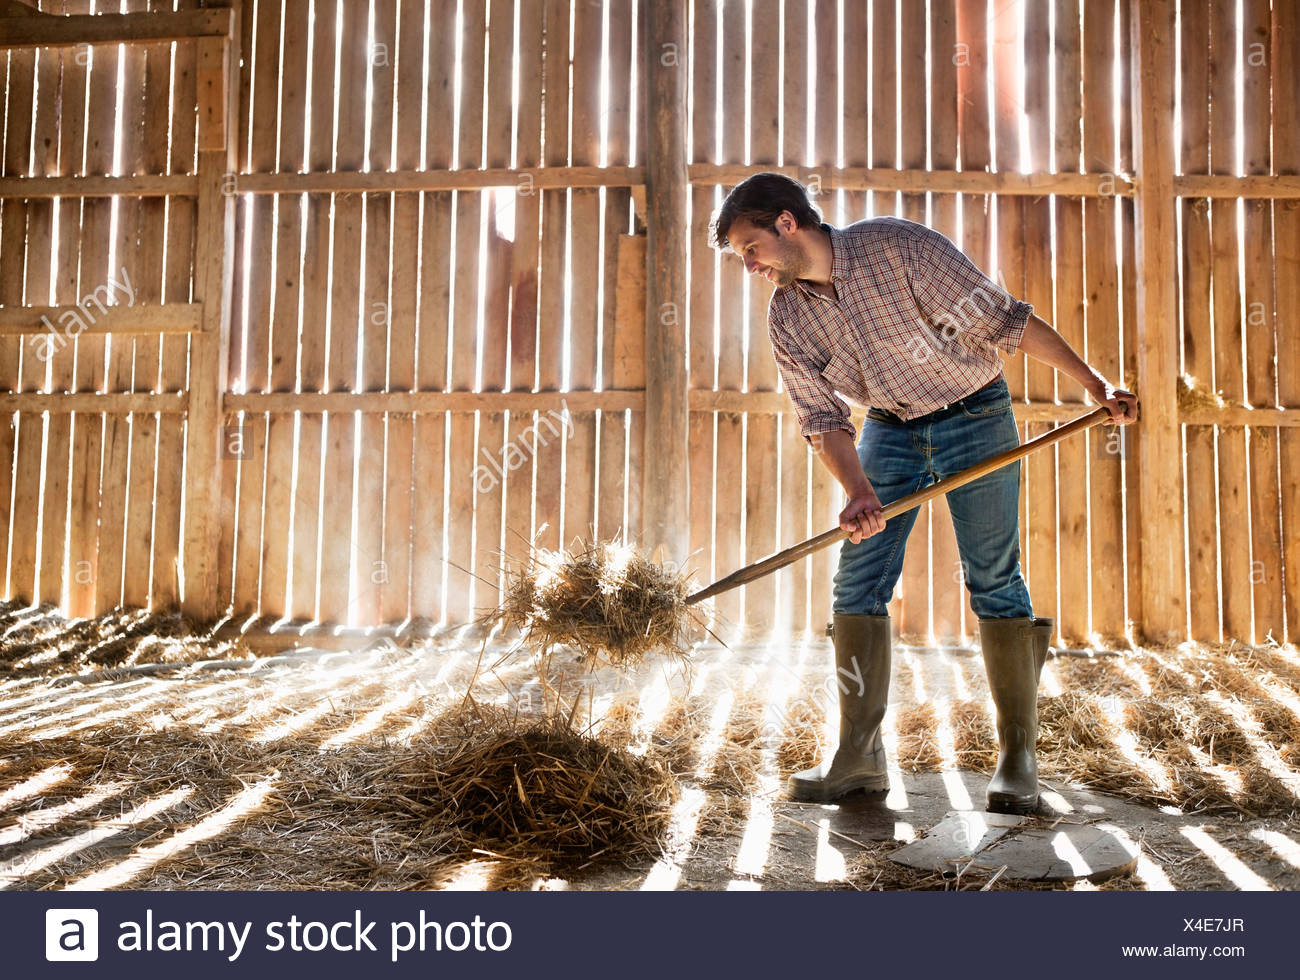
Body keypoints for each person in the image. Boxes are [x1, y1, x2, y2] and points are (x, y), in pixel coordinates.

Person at [711, 172, 1137, 814]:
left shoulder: (898, 248)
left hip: (975, 414)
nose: (749, 266)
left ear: (787, 223)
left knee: (994, 578)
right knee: (856, 581)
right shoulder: (788, 315)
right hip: (890, 428)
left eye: (751, 246)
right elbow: (822, 418)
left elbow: (1009, 323)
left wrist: (1096, 385)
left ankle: (1018, 759)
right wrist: (857, 490)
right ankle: (859, 755)